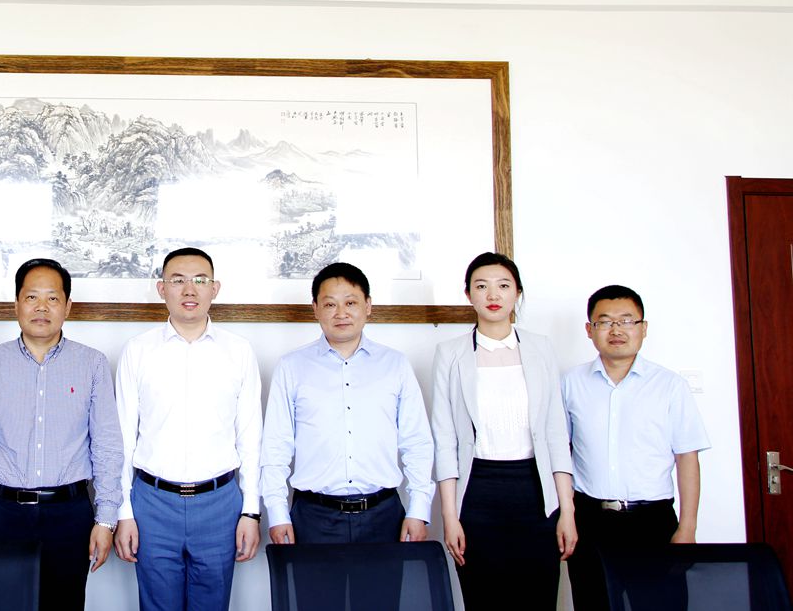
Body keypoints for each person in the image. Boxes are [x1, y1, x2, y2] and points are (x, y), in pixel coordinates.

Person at [0, 258, 123, 610]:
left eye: (52, 298)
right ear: (16, 303)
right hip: (2, 514)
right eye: (32, 297)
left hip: (69, 515)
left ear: (68, 306)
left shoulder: (91, 364)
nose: (41, 307)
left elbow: (107, 448)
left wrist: (106, 519)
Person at [114, 247, 262, 611]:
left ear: (215, 288)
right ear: (161, 289)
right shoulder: (137, 351)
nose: (189, 289)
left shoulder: (239, 351)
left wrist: (251, 511)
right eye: (178, 280)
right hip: (152, 503)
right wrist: (123, 512)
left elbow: (251, 438)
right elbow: (122, 439)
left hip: (220, 503)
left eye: (200, 280)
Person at [430, 252, 576, 610]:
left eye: (503, 285)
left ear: (517, 293)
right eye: (481, 286)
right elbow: (445, 439)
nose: (492, 295)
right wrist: (450, 517)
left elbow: (556, 434)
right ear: (468, 294)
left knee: (539, 597)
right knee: (483, 597)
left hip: (535, 491)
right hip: (477, 492)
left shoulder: (540, 348)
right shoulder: (450, 353)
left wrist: (568, 512)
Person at [261, 262, 434, 546]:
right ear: (315, 308)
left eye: (350, 303)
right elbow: (276, 446)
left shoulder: (395, 365)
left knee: (384, 580)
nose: (341, 313)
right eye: (330, 304)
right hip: (313, 517)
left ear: (368, 305)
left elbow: (417, 442)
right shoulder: (291, 367)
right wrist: (278, 513)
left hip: (384, 515)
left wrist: (419, 510)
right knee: (311, 580)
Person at [562, 284, 710, 611]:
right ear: (589, 329)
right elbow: (560, 455)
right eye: (605, 321)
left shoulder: (670, 386)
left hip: (652, 522)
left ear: (643, 328)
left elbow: (687, 457)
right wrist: (566, 516)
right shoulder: (570, 383)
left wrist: (687, 527)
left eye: (627, 320)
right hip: (590, 521)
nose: (616, 330)